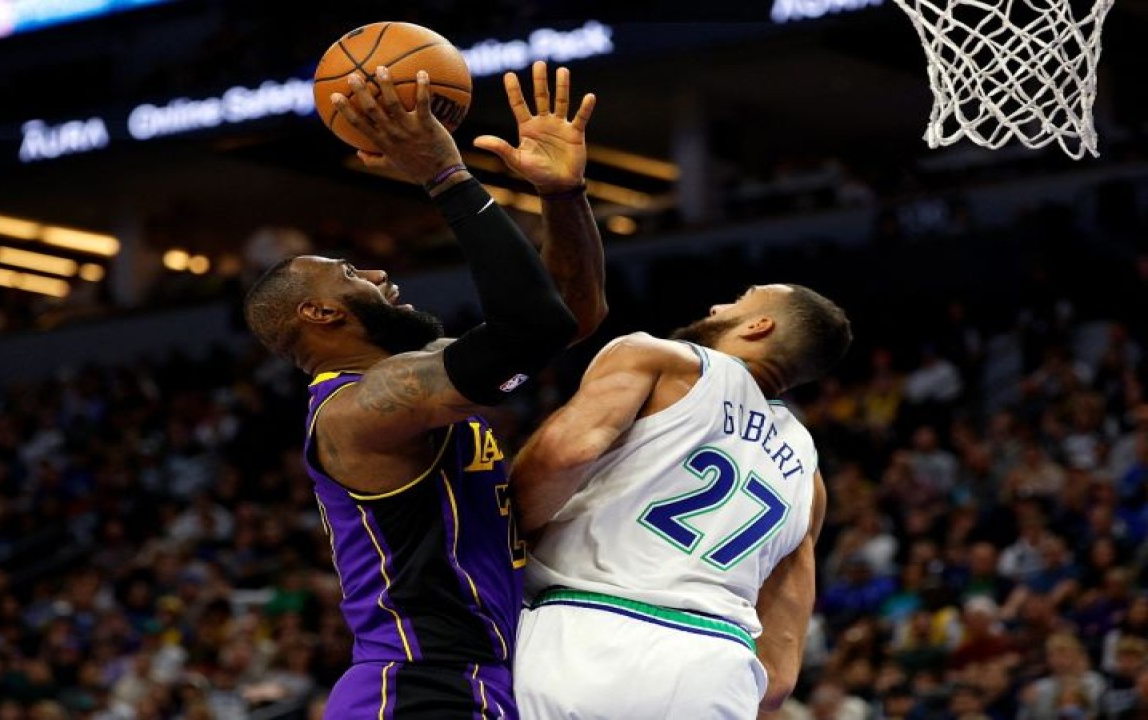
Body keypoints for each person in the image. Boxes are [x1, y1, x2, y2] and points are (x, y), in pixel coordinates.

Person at [244, 61, 603, 719]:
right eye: (352, 273)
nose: (379, 273)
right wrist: (445, 175)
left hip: (472, 681)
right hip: (415, 686)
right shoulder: (358, 412)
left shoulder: (415, 382)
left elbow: (567, 318)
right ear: (320, 315)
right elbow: (533, 327)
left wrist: (562, 195)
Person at [510, 283, 852, 718]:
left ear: (758, 326)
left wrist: (500, 535)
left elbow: (564, 455)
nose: (717, 304)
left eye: (739, 300)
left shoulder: (664, 361)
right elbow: (780, 677)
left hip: (588, 631)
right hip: (718, 668)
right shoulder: (809, 476)